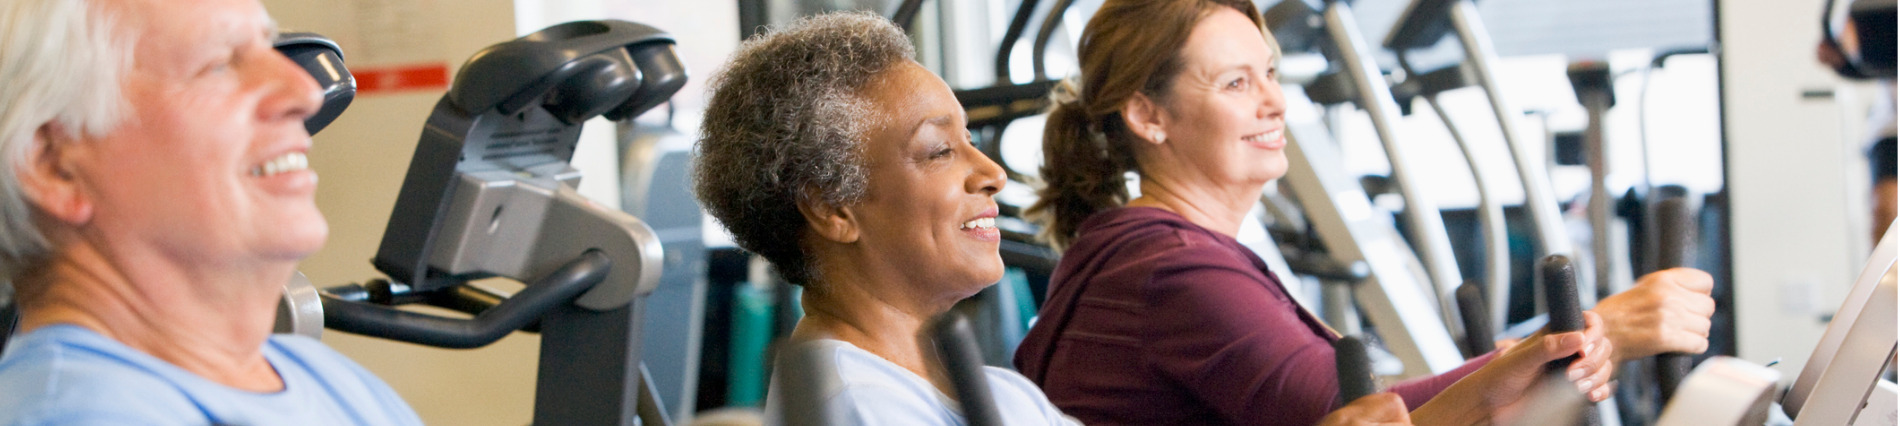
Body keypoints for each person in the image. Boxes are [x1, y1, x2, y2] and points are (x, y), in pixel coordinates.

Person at [693, 11, 1413, 426]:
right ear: (831, 207)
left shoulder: (999, 394)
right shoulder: (855, 407)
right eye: (941, 151)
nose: (991, 173)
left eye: (971, 140)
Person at [1014, 0, 1713, 425]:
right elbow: (1351, 417)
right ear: (1148, 116)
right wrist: (1598, 332)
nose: (1275, 102)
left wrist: (1556, 349)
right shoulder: (1169, 270)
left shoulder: (1158, 251)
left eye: (1271, 74)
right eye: (1236, 82)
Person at [0, 0, 422, 424]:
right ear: (55, 166)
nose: (306, 93)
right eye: (218, 65)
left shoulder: (330, 381)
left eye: (266, 47)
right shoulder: (79, 413)